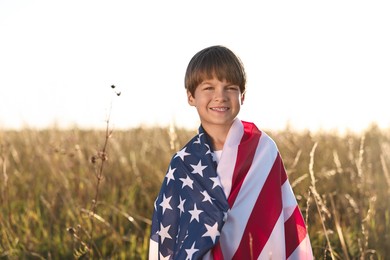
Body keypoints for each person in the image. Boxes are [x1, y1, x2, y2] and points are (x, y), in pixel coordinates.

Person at [149, 45, 313, 259]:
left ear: (242, 96)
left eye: (230, 88)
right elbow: (170, 231)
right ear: (191, 96)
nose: (220, 96)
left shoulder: (262, 150)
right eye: (209, 88)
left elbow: (282, 219)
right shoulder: (183, 164)